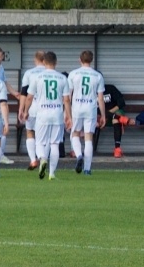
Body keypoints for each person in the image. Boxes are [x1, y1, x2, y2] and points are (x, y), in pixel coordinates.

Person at [30, 51, 69, 180]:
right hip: (57, 113)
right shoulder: (63, 78)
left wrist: (25, 110)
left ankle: (42, 159)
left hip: (42, 113)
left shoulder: (38, 77)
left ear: (44, 62)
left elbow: (29, 97)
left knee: (40, 142)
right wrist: (68, 115)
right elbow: (66, 100)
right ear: (56, 62)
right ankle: (52, 174)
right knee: (55, 144)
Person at [66, 50, 105, 175]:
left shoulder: (73, 74)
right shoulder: (97, 76)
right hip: (91, 108)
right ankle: (87, 169)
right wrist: (103, 115)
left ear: (80, 59)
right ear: (91, 60)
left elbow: (68, 96)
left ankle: (78, 155)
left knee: (75, 134)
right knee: (88, 137)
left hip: (77, 107)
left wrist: (67, 114)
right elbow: (100, 98)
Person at [18, 50, 46, 170]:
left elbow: (24, 93)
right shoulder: (50, 73)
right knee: (43, 136)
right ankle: (42, 157)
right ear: (45, 60)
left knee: (30, 132)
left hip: (32, 108)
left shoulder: (29, 73)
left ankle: (33, 160)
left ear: (35, 59)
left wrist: (22, 109)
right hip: (46, 109)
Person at [101, 81, 127, 158]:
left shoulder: (110, 88)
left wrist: (111, 112)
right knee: (92, 122)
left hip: (114, 113)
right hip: (101, 116)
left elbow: (121, 102)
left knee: (115, 119)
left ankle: (117, 149)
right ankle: (88, 149)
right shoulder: (91, 91)